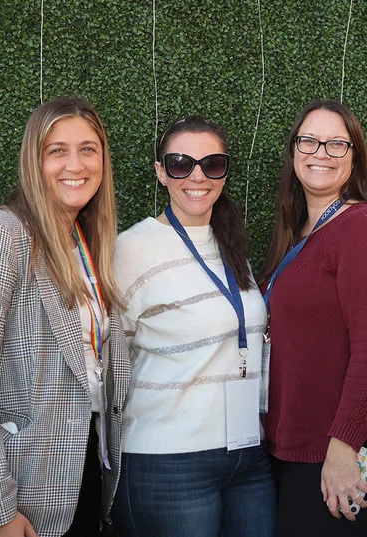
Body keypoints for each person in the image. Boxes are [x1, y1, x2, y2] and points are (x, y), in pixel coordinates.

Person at [0, 97, 130, 537]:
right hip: (18, 489)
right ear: (33, 161)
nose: (74, 164)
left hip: (80, 473)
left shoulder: (86, 242)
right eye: (56, 150)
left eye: (88, 149)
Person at [111, 116, 274, 537]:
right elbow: (112, 356)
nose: (197, 176)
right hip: (168, 460)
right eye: (181, 163)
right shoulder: (131, 249)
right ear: (161, 171)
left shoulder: (231, 242)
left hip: (247, 454)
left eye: (212, 164)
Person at [259, 99, 367, 537]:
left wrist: (344, 444)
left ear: (354, 157)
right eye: (309, 140)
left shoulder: (366, 226)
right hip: (296, 443)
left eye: (336, 144)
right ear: (293, 152)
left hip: (345, 446)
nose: (320, 152)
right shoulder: (297, 233)